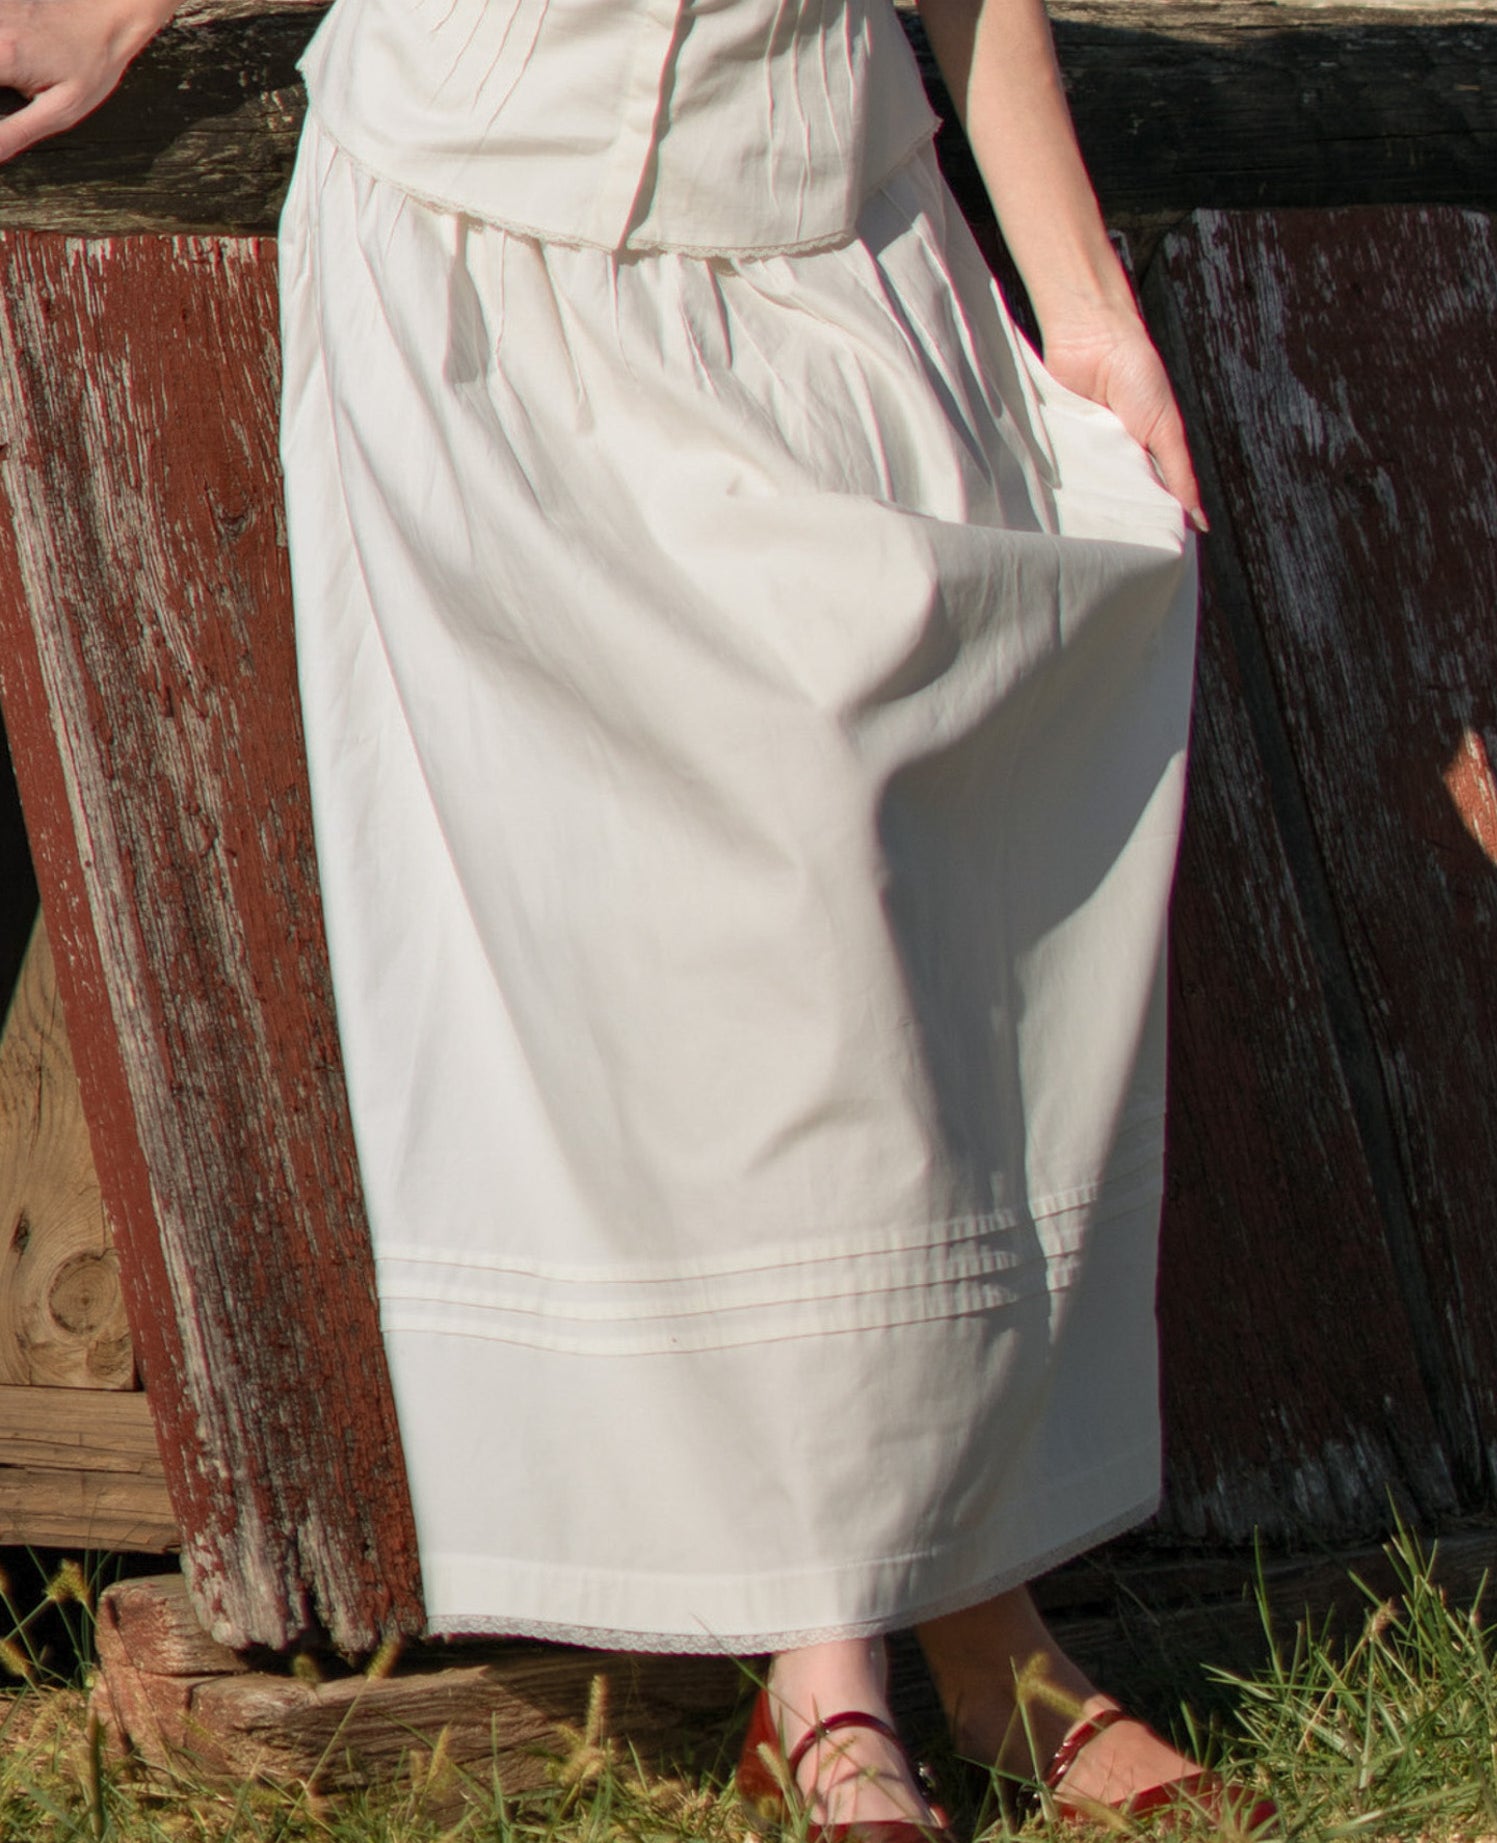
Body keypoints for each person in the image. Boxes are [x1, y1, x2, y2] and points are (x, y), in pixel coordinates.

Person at [0, 0, 1271, 1831]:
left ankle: (977, 1624)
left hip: (844, 217)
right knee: (747, 942)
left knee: (938, 921)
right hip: (506, 244)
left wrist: (1085, 315)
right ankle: (845, 1665)